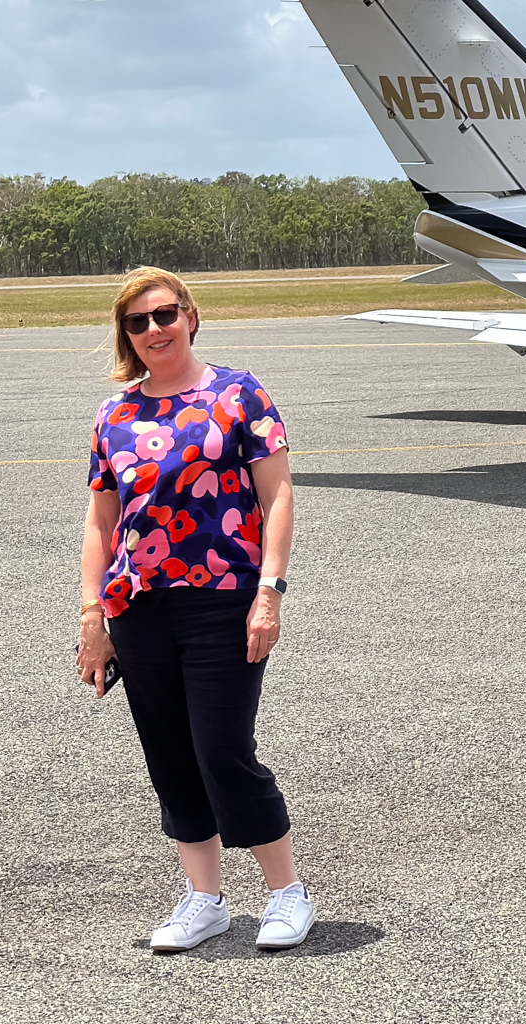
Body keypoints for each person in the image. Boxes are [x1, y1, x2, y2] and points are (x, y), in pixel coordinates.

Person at [75, 266, 315, 953]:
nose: (155, 329)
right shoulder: (115, 413)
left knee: (223, 751)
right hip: (140, 608)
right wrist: (93, 619)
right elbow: (100, 523)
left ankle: (287, 893)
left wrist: (270, 592)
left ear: (190, 315)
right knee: (171, 755)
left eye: (165, 314)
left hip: (224, 600)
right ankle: (204, 900)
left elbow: (278, 498)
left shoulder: (238, 394)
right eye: (138, 321)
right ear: (126, 334)